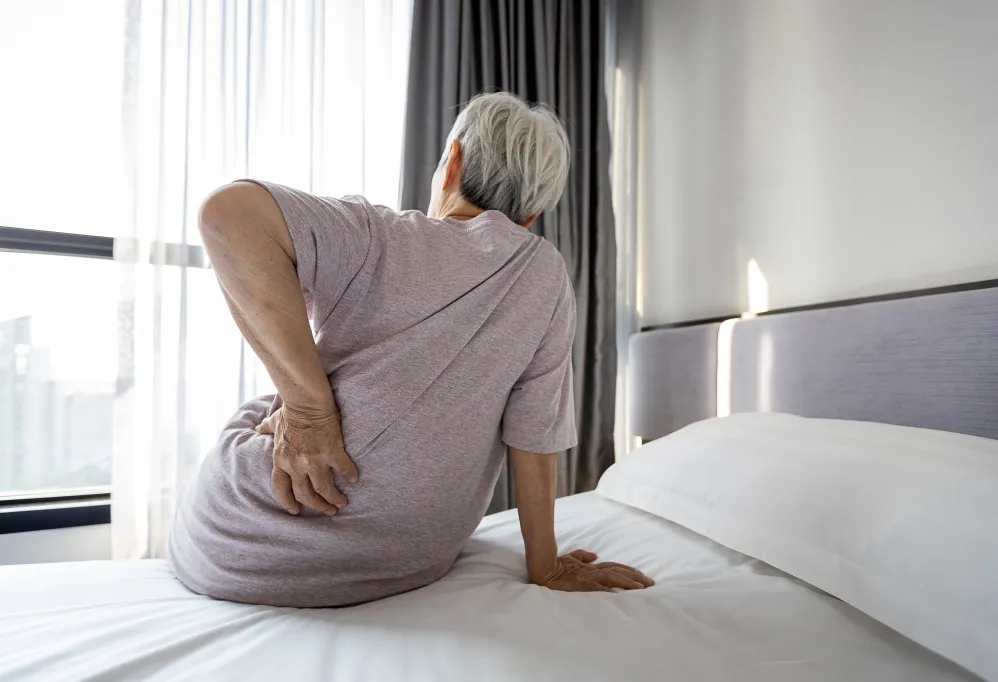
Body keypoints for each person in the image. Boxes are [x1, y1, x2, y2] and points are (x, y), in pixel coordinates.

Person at [168, 92, 653, 607]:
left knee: (259, 413)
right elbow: (535, 434)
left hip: (234, 552)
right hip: (406, 560)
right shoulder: (545, 275)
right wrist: (546, 566)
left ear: (453, 162)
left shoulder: (379, 235)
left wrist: (308, 410)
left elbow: (227, 213)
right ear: (531, 215)